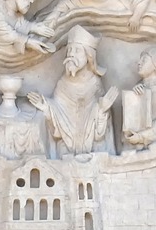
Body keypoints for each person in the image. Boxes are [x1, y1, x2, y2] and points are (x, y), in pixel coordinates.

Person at [27, 26, 117, 155]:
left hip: (91, 152)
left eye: (77, 50)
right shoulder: (63, 84)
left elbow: (100, 135)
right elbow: (58, 123)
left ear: (89, 56)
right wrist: (47, 108)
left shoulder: (95, 85)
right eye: (69, 50)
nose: (71, 54)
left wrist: (102, 111)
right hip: (66, 150)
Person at [122, 47, 156, 149]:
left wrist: (143, 136)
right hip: (137, 142)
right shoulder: (139, 85)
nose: (139, 63)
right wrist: (135, 96)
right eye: (140, 59)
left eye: (144, 60)